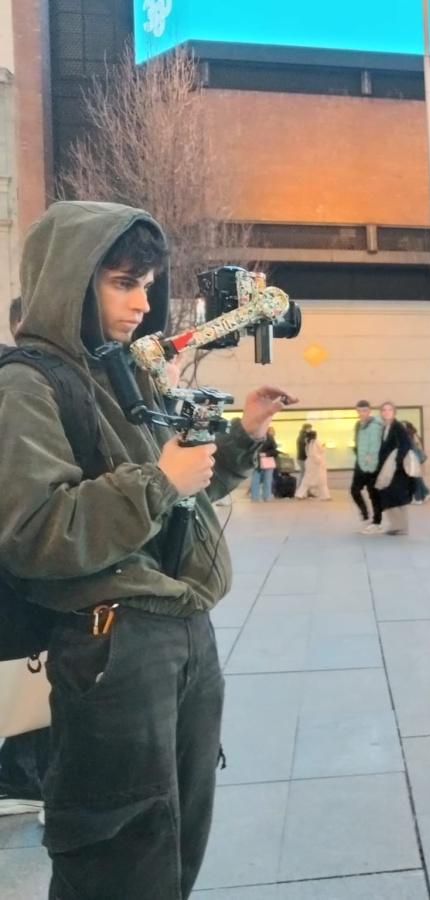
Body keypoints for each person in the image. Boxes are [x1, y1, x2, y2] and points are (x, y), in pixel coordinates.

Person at [0, 202, 293, 896]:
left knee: (177, 842)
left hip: (180, 634)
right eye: (123, 283)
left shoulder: (118, 374)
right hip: (113, 644)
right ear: (70, 279)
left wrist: (242, 437)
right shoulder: (25, 384)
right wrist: (157, 480)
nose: (142, 303)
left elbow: (177, 500)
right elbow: (38, 531)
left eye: (148, 285)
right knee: (119, 856)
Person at [0, 294, 51, 821]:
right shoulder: (21, 381)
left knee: (31, 673)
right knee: (34, 667)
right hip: (22, 571)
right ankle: (30, 780)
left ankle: (25, 776)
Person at [377, 403, 416, 535]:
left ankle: (401, 527)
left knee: (395, 497)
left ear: (394, 412)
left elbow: (406, 444)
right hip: (388, 468)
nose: (386, 412)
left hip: (396, 469)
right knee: (391, 497)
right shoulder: (385, 427)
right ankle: (397, 526)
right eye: (384, 410)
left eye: (389, 410)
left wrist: (397, 461)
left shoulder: (398, 427)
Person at [351, 400, 385, 533]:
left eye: (364, 411)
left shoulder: (375, 425)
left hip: (372, 464)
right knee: (354, 490)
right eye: (359, 411)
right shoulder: (358, 425)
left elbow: (375, 445)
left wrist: (370, 458)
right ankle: (365, 513)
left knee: (373, 494)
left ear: (369, 410)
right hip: (360, 463)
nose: (361, 413)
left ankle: (377, 522)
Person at [296, 430, 330, 500]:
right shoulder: (314, 442)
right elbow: (314, 453)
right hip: (316, 464)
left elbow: (310, 453)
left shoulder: (308, 442)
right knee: (322, 480)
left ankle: (300, 494)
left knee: (307, 479)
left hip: (310, 463)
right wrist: (322, 449)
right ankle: (325, 496)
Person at [250, 425, 279, 501]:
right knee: (255, 480)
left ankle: (266, 496)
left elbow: (274, 451)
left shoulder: (269, 438)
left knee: (267, 479)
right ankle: (255, 497)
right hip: (256, 462)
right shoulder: (253, 437)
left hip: (267, 461)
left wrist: (266, 454)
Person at [405, 422, 430, 504]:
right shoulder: (414, 435)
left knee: (415, 478)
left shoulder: (409, 435)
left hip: (412, 459)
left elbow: (412, 448)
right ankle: (424, 494)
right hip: (415, 458)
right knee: (416, 478)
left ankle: (419, 497)